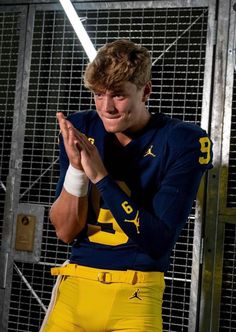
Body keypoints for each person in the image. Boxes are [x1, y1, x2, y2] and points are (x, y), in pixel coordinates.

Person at [40, 39, 213, 332]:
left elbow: (159, 242)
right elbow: (65, 231)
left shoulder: (183, 139)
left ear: (145, 90)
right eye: (98, 95)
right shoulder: (81, 127)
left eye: (118, 95)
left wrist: (101, 178)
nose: (106, 107)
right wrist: (76, 170)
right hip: (75, 289)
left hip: (135, 295)